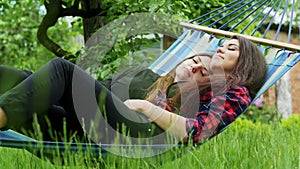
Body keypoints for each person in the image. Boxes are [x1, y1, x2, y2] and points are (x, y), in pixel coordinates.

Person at [0, 35, 267, 145]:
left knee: (62, 70)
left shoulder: (236, 93)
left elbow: (197, 133)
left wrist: (145, 106)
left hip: (145, 134)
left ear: (245, 65)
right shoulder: (190, 84)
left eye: (233, 49)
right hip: (117, 126)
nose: (222, 48)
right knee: (24, 82)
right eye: (223, 44)